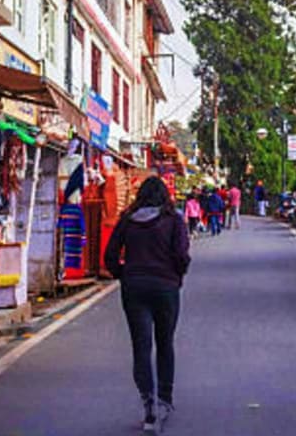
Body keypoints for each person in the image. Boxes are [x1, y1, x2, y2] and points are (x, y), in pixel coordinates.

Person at [103, 176, 190, 433]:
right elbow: (182, 255)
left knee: (141, 347)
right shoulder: (174, 219)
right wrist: (176, 277)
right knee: (165, 344)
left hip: (135, 287)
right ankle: (164, 400)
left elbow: (109, 255)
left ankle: (148, 403)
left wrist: (125, 274)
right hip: (166, 287)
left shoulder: (128, 220)